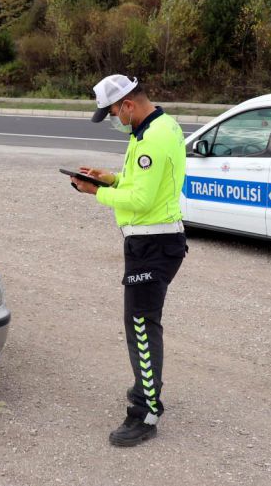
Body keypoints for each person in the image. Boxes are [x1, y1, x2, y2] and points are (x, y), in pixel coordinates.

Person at [70, 74, 187, 448]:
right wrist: (112, 178)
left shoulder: (153, 137)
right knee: (141, 323)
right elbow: (139, 185)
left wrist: (96, 192)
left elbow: (142, 201)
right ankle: (145, 384)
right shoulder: (155, 127)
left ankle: (145, 411)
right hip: (149, 241)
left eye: (112, 114)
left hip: (154, 243)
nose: (113, 120)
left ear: (128, 105)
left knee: (140, 326)